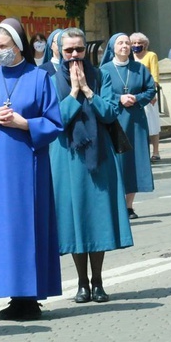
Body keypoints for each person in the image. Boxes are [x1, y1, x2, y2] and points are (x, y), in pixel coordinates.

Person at [0, 18, 63, 320]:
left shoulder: (38, 78)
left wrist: (25, 123)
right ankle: (10, 293)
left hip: (28, 166)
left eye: (3, 46)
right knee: (1, 230)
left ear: (18, 47)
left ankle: (29, 297)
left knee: (28, 227)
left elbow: (55, 123)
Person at [49, 28, 133, 303]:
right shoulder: (49, 79)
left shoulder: (101, 75)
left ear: (87, 49)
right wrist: (73, 93)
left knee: (96, 218)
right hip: (67, 156)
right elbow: (56, 120)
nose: (74, 56)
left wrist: (87, 89)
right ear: (58, 51)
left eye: (80, 49)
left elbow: (109, 113)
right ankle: (81, 283)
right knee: (75, 218)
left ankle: (98, 281)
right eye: (69, 50)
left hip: (100, 155)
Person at [100, 33, 156, 220]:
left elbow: (151, 89)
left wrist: (137, 99)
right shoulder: (104, 70)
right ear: (112, 47)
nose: (125, 46)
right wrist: (119, 98)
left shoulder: (139, 68)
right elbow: (98, 94)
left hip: (135, 121)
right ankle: (114, 204)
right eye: (120, 43)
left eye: (127, 43)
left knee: (133, 161)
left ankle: (129, 206)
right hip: (114, 120)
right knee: (116, 162)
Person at [130, 32, 162, 162]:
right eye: (134, 43)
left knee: (153, 124)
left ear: (145, 44)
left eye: (139, 43)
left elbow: (154, 75)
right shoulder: (130, 56)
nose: (137, 45)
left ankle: (155, 151)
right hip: (134, 95)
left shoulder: (151, 55)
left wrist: (152, 93)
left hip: (148, 94)